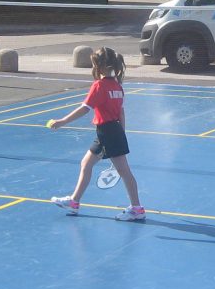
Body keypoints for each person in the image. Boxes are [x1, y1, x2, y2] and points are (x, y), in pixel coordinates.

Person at [49, 47, 146, 221]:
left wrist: (63, 121)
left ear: (99, 66)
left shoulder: (99, 86)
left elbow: (85, 108)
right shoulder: (117, 86)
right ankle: (74, 201)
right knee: (86, 163)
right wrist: (122, 134)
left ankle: (137, 209)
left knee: (124, 171)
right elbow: (121, 112)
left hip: (108, 131)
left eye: (94, 64)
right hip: (111, 131)